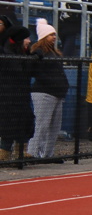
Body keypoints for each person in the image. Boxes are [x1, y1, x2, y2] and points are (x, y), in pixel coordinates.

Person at [27, 19, 69, 162]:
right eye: (51, 34)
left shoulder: (53, 53)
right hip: (44, 92)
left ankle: (47, 154)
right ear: (44, 36)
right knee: (42, 124)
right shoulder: (38, 51)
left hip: (57, 92)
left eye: (55, 34)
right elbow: (33, 70)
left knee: (54, 126)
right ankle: (32, 153)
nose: (54, 37)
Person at [0, 23, 35, 161]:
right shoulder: (7, 55)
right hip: (9, 98)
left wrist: (32, 56)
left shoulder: (23, 54)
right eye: (26, 38)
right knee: (9, 125)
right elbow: (18, 71)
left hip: (22, 97)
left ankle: (21, 153)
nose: (29, 41)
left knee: (25, 122)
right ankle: (4, 154)